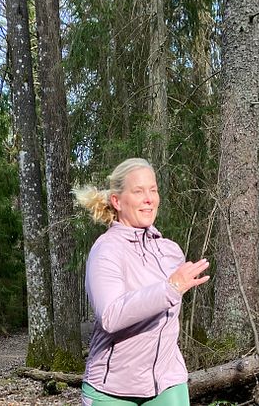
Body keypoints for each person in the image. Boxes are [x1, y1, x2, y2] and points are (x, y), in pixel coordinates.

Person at [74, 158, 211, 406]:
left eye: (153, 190)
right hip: (113, 389)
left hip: (167, 382)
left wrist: (173, 286)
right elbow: (110, 315)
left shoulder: (170, 252)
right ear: (117, 201)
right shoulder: (106, 250)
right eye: (138, 191)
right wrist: (171, 288)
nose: (149, 198)